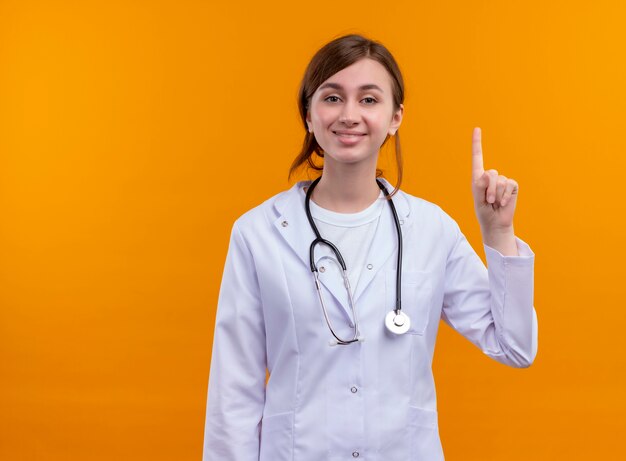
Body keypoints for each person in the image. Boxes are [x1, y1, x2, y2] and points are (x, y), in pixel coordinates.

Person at [202, 34, 538, 461]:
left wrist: (498, 234)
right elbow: (234, 391)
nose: (348, 115)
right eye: (332, 97)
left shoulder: (432, 230)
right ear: (308, 113)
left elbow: (515, 347)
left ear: (395, 116)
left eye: (368, 100)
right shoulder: (257, 233)